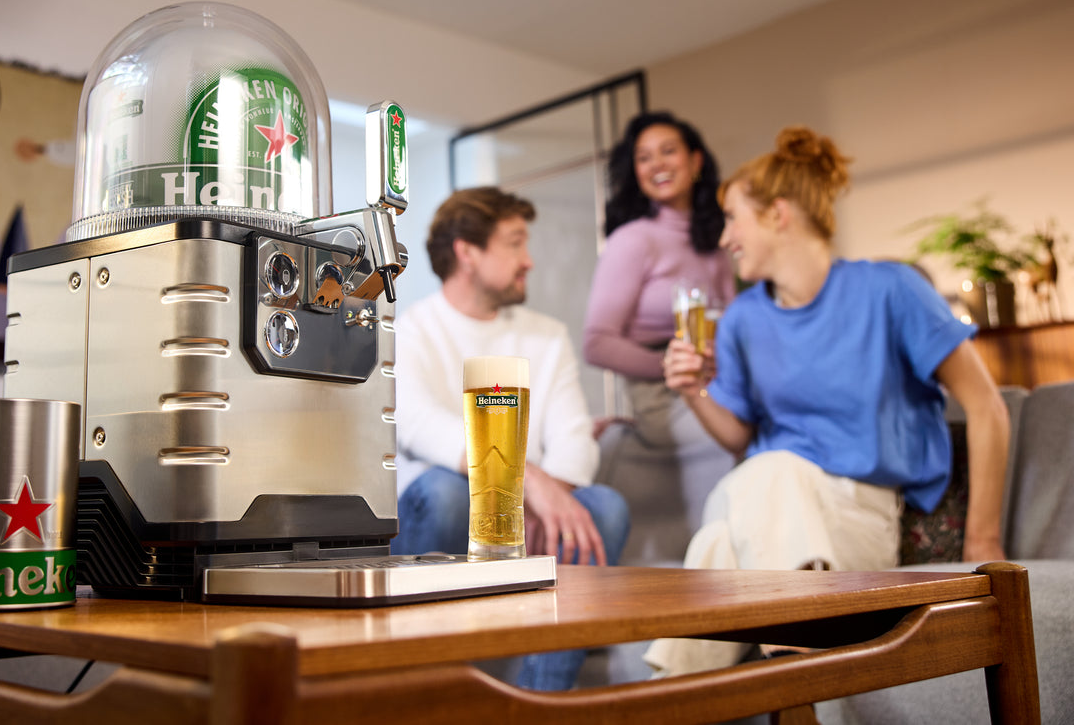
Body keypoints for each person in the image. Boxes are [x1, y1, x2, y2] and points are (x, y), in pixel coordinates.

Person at [645, 126, 1010, 676]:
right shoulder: (744, 317)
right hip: (768, 504)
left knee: (722, 540)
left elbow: (986, 407)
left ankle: (673, 695)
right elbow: (738, 436)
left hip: (857, 516)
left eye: (732, 219)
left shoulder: (890, 290)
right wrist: (692, 389)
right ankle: (798, 665)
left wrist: (984, 539)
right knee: (765, 478)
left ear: (778, 214)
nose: (724, 239)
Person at [392, 185, 630, 690]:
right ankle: (419, 696)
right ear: (467, 252)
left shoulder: (547, 336)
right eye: (516, 243)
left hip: (523, 515)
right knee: (447, 495)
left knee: (605, 506)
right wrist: (530, 484)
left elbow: (574, 439)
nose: (530, 261)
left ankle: (540, 702)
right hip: (449, 506)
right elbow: (418, 424)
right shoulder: (411, 330)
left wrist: (541, 495)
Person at [582, 111, 736, 561]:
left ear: (696, 161)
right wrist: (673, 368)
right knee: (733, 437)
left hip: (715, 382)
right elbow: (597, 342)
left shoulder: (718, 242)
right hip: (661, 392)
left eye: (668, 151)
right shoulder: (633, 239)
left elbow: (734, 325)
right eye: (643, 157)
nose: (656, 164)